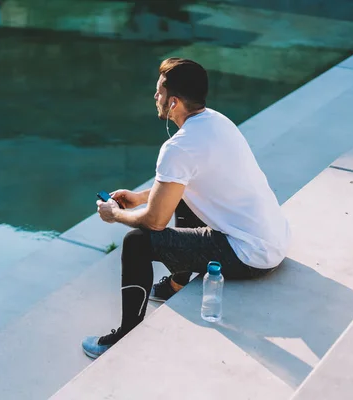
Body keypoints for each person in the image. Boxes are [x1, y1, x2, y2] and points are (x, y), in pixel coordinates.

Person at [81, 58, 291, 359]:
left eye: (159, 93)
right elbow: (180, 183)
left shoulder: (178, 148)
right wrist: (139, 197)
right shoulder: (217, 122)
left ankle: (124, 336)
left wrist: (115, 215)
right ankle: (177, 284)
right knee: (182, 197)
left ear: (174, 102)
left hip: (250, 255)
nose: (155, 97)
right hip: (273, 239)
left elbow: (154, 222)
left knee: (137, 242)